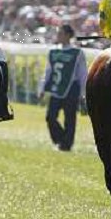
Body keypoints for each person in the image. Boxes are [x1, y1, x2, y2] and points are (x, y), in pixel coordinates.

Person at [38, 24, 87, 152]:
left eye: (60, 33)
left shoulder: (78, 53)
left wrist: (83, 92)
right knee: (50, 117)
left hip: (72, 88)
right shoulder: (53, 51)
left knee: (69, 118)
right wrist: (42, 88)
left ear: (68, 35)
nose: (58, 36)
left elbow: (82, 74)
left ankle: (66, 145)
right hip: (56, 88)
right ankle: (61, 138)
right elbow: (48, 71)